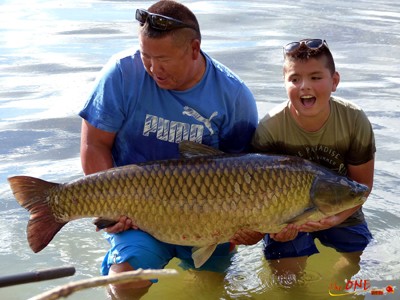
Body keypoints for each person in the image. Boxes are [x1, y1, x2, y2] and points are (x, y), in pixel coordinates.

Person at [79, 0, 258, 298]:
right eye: (146, 55)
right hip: (138, 213)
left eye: (162, 59)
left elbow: (246, 175)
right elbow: (94, 143)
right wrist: (111, 208)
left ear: (193, 49)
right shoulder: (122, 74)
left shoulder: (234, 96)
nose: (152, 68)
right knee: (126, 283)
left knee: (211, 290)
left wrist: (248, 226)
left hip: (211, 219)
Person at [251, 39, 375, 282]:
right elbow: (256, 196)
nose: (305, 86)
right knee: (287, 279)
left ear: (334, 81)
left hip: (341, 206)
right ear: (284, 82)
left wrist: (335, 218)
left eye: (316, 77)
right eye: (295, 79)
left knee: (358, 265)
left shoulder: (354, 120)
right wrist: (276, 229)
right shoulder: (270, 127)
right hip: (286, 215)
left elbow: (361, 189)